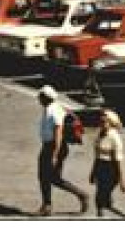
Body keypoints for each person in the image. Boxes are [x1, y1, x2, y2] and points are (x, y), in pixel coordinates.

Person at [35, 86, 89, 216]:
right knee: (50, 177)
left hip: (53, 147)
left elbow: (58, 131)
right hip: (52, 146)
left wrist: (55, 153)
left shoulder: (52, 111)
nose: (38, 99)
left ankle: (48, 205)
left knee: (47, 177)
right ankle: (48, 205)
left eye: (40, 96)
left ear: (45, 97)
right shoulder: (54, 107)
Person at [90, 110, 125, 218]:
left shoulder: (115, 137)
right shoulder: (99, 134)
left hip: (111, 170)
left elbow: (118, 160)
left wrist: (122, 180)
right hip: (100, 168)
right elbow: (97, 155)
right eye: (100, 121)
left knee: (101, 199)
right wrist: (93, 172)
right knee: (101, 200)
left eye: (104, 122)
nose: (101, 124)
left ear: (111, 123)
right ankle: (104, 215)